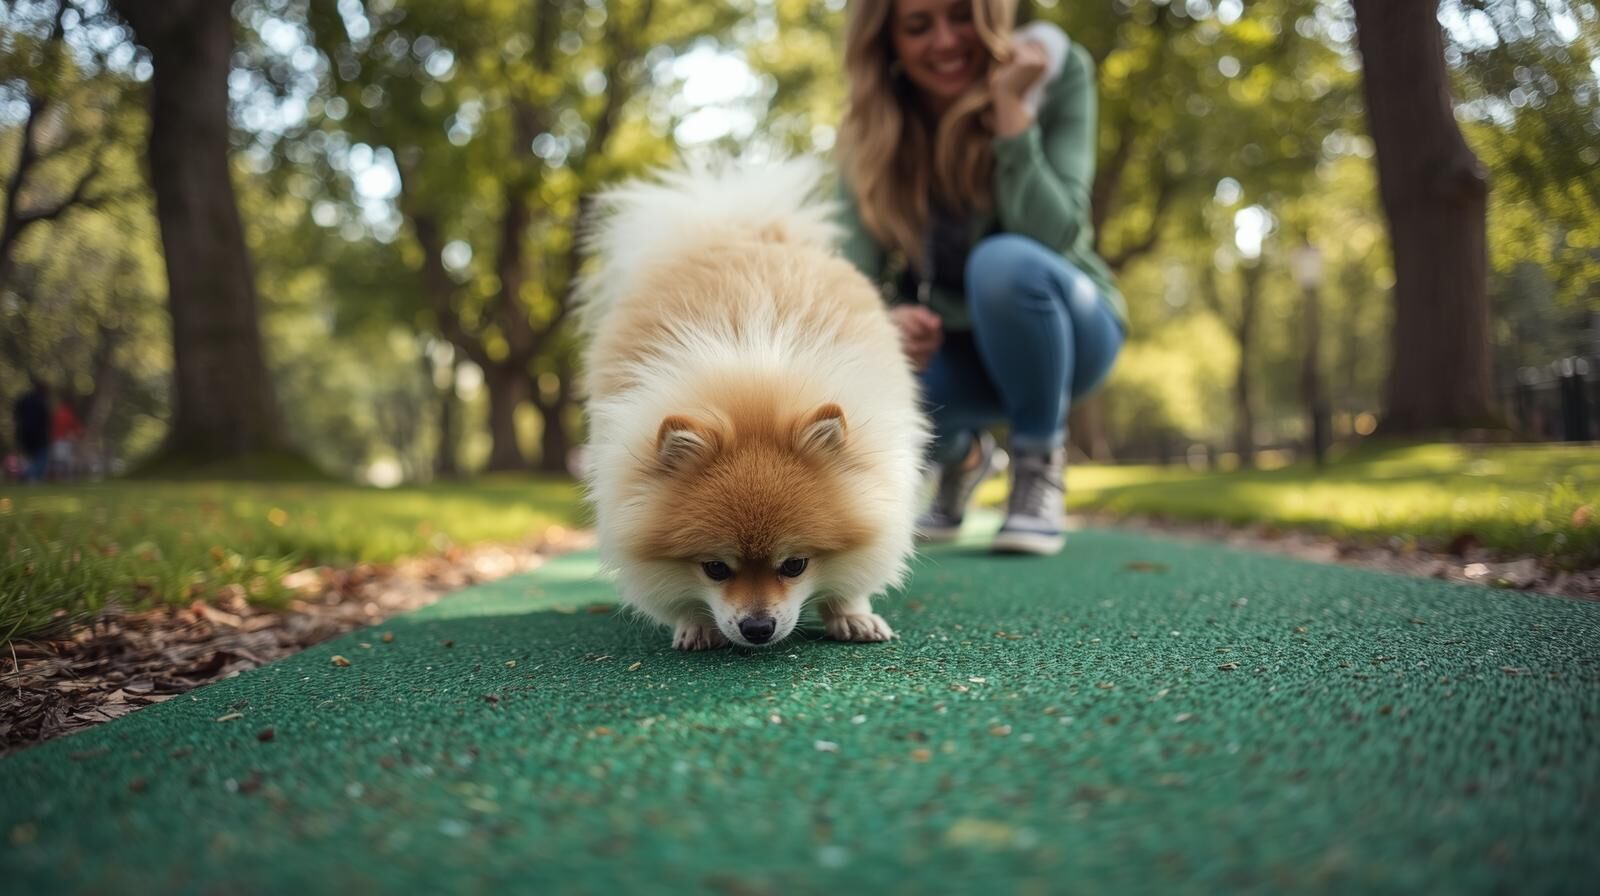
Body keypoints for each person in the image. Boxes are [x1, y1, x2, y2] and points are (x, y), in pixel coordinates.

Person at [834, 0, 1127, 556]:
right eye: (918, 26)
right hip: (953, 352)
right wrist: (884, 322)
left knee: (1002, 263)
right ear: (888, 42)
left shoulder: (1057, 71)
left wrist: (1012, 107)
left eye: (961, 16)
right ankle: (965, 458)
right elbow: (847, 278)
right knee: (851, 375)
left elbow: (1059, 233)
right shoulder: (867, 134)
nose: (945, 41)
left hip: (1069, 331)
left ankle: (1038, 468)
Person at [12, 377, 51, 484]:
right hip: (38, 434)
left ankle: (29, 477)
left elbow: (16, 413)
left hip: (24, 432)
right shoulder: (42, 401)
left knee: (31, 457)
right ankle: (28, 475)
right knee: (41, 458)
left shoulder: (25, 398)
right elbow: (45, 419)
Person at [51, 393, 85, 481]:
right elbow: (76, 427)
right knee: (66, 460)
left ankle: (59, 477)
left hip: (57, 439)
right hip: (65, 440)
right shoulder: (69, 413)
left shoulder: (58, 413)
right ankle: (66, 477)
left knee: (59, 460)